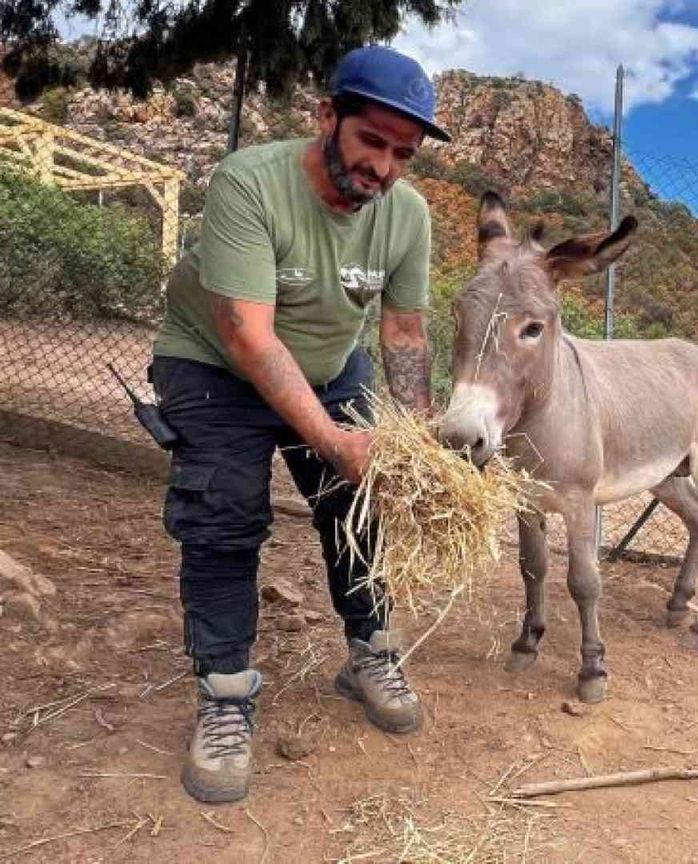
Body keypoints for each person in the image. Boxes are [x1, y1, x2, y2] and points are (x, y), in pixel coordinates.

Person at [147, 44, 449, 804]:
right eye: (371, 141)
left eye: (402, 154)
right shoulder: (251, 181)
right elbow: (250, 336)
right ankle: (224, 694)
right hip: (214, 361)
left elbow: (405, 335)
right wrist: (333, 440)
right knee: (224, 516)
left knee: (359, 503)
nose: (384, 167)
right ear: (326, 117)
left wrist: (410, 443)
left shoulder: (407, 216)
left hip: (327, 364)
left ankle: (371, 650)